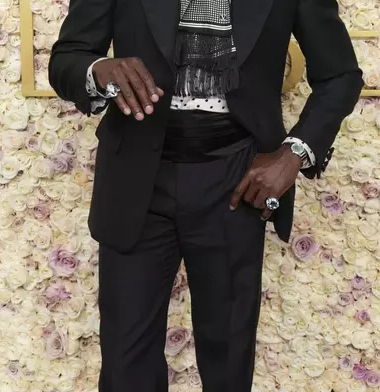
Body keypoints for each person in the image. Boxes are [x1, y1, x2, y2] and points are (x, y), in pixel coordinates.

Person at [49, 0, 363, 389]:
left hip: (236, 180)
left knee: (229, 357)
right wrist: (98, 70)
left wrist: (293, 153)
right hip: (137, 179)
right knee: (124, 361)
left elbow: (341, 76)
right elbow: (67, 59)